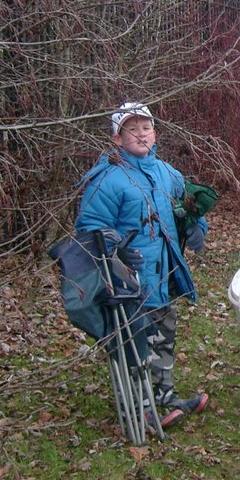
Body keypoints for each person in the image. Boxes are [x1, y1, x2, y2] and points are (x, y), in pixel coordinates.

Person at [76, 101, 210, 430]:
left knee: (164, 334)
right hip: (129, 280)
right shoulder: (108, 178)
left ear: (156, 133)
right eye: (131, 129)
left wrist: (196, 228)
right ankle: (139, 406)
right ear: (117, 139)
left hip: (163, 274)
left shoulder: (166, 173)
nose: (140, 134)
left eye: (145, 128)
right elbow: (89, 228)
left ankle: (163, 395)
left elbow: (190, 206)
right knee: (135, 341)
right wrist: (114, 253)